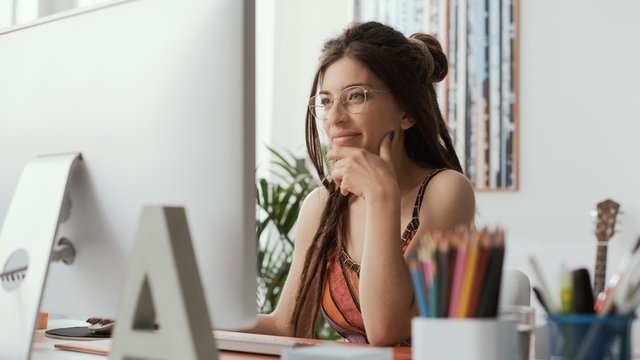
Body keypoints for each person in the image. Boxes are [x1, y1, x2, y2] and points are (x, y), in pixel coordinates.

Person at [249, 21, 475, 346]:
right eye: (325, 101)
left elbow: (385, 331)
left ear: (408, 112)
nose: (335, 117)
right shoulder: (320, 206)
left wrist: (381, 194)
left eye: (355, 96)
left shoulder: (447, 191)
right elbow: (287, 325)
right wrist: (189, 319)